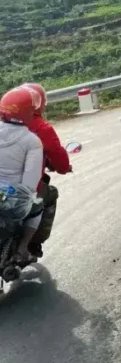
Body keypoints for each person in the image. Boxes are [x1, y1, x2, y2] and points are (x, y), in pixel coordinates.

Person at [22, 83, 71, 258]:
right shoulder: (41, 128)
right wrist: (64, 168)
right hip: (27, 186)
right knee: (50, 195)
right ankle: (34, 242)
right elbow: (59, 159)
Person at [0, 87, 44, 262]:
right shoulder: (32, 141)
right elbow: (29, 185)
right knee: (37, 207)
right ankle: (22, 250)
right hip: (10, 200)